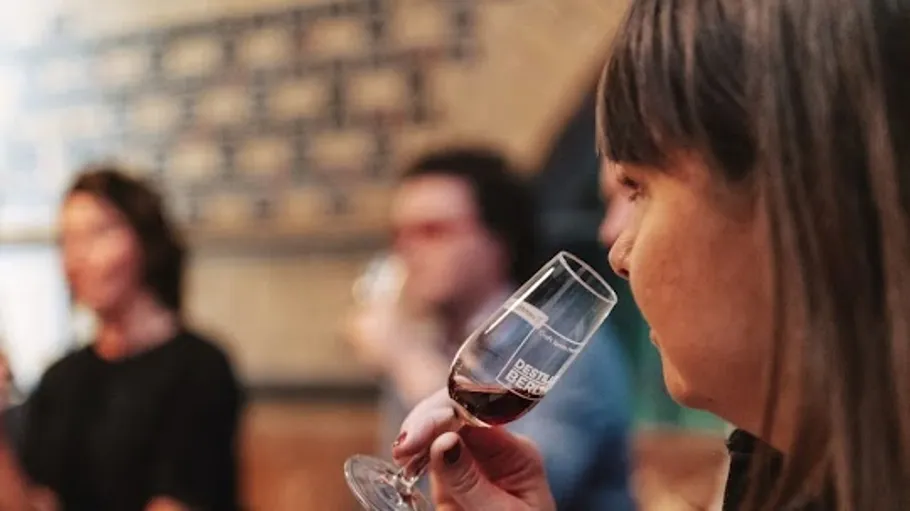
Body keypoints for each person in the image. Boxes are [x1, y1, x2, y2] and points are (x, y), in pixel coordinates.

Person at [390, 0, 910, 509]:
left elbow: (560, 467)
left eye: (636, 187)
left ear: (798, 192)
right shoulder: (789, 468)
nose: (618, 250)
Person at [346, 148, 635, 509]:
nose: (406, 251)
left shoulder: (567, 344)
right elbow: (409, 480)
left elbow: (543, 484)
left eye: (432, 231)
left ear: (498, 241)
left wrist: (408, 360)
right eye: (398, 234)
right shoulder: (427, 334)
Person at [0, 166, 244, 510]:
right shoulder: (62, 378)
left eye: (97, 233)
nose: (78, 256)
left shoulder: (200, 368)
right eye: (67, 240)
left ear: (145, 241)